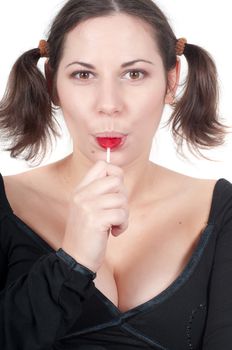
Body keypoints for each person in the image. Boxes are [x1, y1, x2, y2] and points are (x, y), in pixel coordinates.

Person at [0, 0, 231, 349]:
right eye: (83, 74)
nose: (109, 103)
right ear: (52, 84)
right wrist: (73, 260)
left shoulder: (221, 210)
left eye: (134, 74)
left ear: (171, 82)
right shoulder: (7, 203)